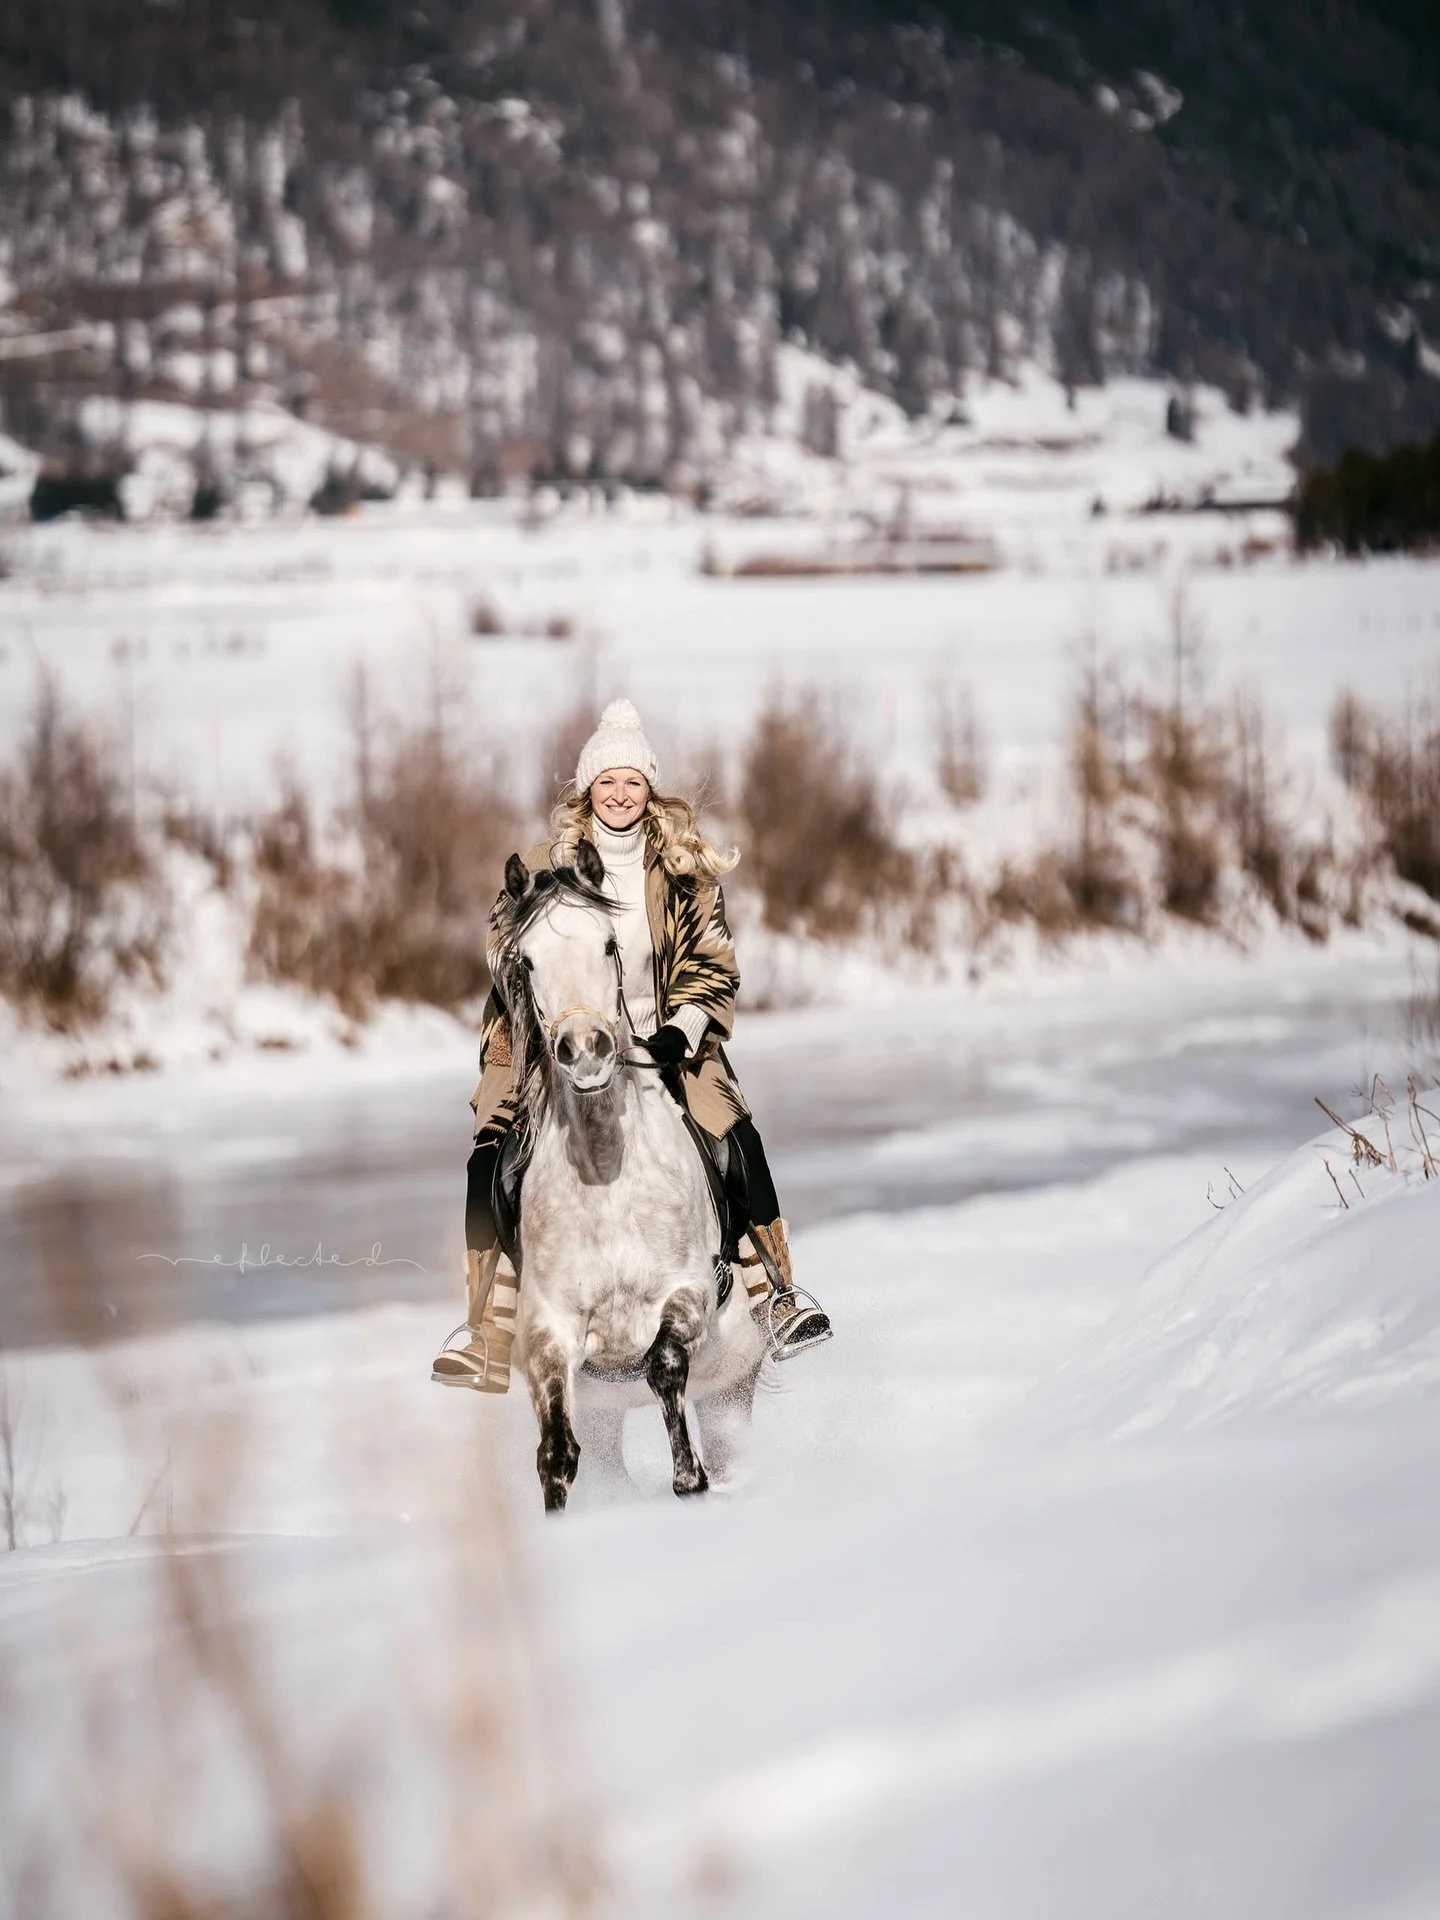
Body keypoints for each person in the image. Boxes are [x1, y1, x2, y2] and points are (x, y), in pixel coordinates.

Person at [432, 698, 832, 1392]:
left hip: (665, 1041)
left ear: (650, 790)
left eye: (633, 782)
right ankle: (487, 1328)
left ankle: (775, 1294)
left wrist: (683, 1029)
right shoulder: (543, 864)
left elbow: (712, 963)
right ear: (586, 788)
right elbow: (501, 947)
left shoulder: (683, 870)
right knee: (491, 1158)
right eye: (606, 781)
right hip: (555, 1046)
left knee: (732, 1139)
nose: (619, 794)